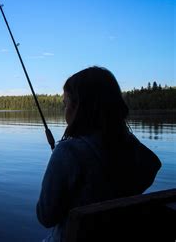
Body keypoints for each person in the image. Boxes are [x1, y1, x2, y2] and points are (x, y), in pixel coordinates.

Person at [36, 66, 161, 242]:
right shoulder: (133, 150)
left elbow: (45, 217)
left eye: (66, 104)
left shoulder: (68, 152)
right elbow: (152, 165)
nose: (65, 111)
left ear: (79, 107)